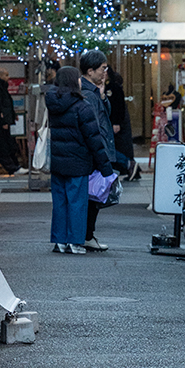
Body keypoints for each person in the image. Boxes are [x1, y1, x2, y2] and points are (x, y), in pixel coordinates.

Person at [45, 66, 113, 254]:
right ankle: (75, 241)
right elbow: (94, 139)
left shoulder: (53, 104)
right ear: (74, 81)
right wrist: (106, 168)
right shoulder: (82, 106)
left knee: (59, 203)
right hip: (78, 163)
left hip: (58, 163)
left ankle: (59, 241)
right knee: (77, 203)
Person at [79, 50, 117, 252]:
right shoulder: (87, 94)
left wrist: (102, 96)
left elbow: (104, 116)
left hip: (97, 149)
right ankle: (86, 235)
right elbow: (93, 126)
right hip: (95, 151)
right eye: (103, 68)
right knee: (94, 195)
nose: (106, 72)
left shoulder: (94, 92)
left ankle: (86, 235)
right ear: (90, 70)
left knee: (93, 194)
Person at [106, 65, 140, 181]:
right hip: (110, 122)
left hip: (114, 123)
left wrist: (116, 122)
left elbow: (118, 106)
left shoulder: (113, 88)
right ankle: (127, 165)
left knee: (108, 148)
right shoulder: (104, 87)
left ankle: (128, 164)